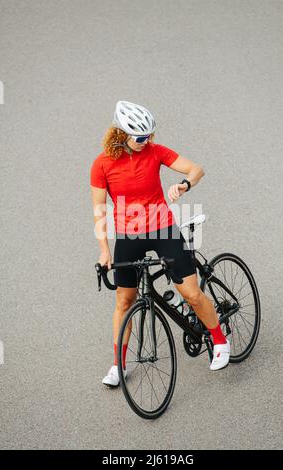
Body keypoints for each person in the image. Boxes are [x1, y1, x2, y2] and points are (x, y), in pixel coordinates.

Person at [90, 100, 230, 387]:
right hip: (128, 236)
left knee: (190, 293)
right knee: (124, 301)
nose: (147, 141)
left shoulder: (155, 152)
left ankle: (219, 340)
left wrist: (184, 185)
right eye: (141, 137)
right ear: (121, 134)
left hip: (162, 227)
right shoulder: (101, 164)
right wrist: (104, 249)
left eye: (150, 135)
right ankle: (119, 364)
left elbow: (196, 169)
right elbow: (99, 210)